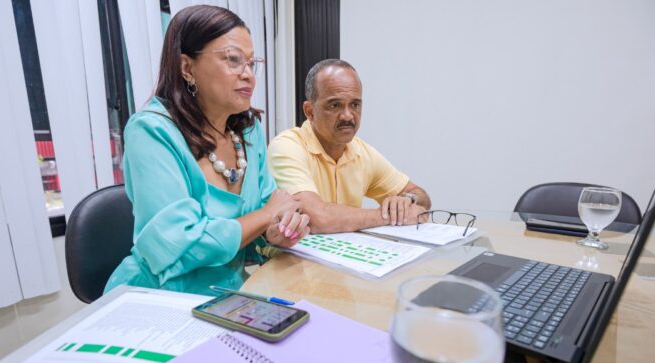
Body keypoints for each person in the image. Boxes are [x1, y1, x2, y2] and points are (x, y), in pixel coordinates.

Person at [104, 5, 309, 296]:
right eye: (233, 60)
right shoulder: (151, 132)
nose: (248, 75)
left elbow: (268, 217)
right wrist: (267, 215)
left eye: (252, 63)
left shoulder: (248, 132)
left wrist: (277, 233)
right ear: (187, 68)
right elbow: (179, 245)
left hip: (228, 294)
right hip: (157, 299)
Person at [267, 59, 431, 233]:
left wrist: (407, 200)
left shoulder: (362, 153)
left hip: (343, 258)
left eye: (354, 105)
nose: (347, 116)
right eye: (335, 105)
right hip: (289, 259)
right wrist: (389, 216)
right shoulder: (287, 146)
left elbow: (422, 197)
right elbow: (316, 218)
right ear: (310, 111)